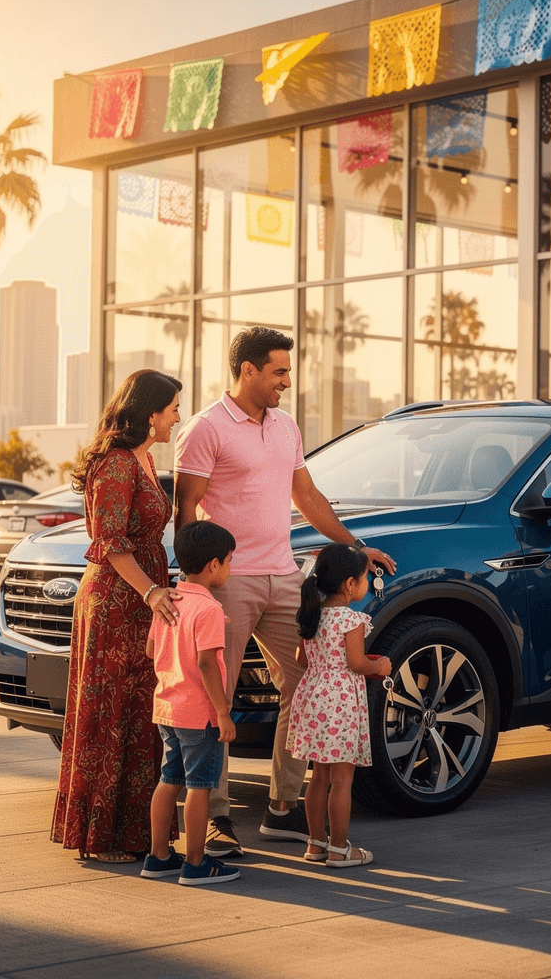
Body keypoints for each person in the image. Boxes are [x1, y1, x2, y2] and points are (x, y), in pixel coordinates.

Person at [174, 326, 396, 857]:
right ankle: (215, 815)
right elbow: (185, 509)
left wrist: (354, 546)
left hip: (285, 575)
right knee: (215, 696)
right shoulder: (206, 428)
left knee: (309, 684)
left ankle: (283, 807)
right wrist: (188, 581)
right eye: (278, 371)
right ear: (247, 370)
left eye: (287, 371)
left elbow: (307, 494)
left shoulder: (285, 426)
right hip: (229, 580)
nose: (286, 382)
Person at [51, 369, 183, 863]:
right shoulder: (116, 464)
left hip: (142, 602)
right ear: (150, 413)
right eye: (172, 409)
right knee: (112, 717)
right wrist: (152, 592)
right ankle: (104, 837)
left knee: (140, 714)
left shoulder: (144, 459)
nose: (176, 419)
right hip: (115, 604)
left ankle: (137, 832)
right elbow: (108, 542)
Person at [142, 521, 241, 886]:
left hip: (167, 707)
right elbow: (205, 663)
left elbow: (151, 649)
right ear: (214, 565)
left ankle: (159, 856)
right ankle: (197, 864)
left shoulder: (169, 600)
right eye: (229, 561)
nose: (230, 568)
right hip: (200, 715)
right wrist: (222, 712)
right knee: (200, 786)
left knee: (169, 780)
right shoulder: (208, 609)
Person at [291, 543, 391, 867]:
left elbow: (300, 658)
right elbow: (357, 662)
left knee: (318, 777)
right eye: (365, 578)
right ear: (350, 584)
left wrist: (326, 665)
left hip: (314, 698)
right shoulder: (351, 619)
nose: (366, 584)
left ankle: (315, 844)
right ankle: (339, 848)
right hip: (341, 703)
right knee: (342, 780)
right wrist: (380, 667)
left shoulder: (312, 615)